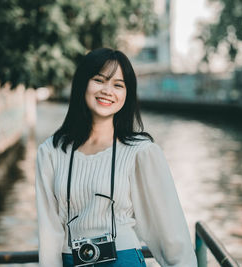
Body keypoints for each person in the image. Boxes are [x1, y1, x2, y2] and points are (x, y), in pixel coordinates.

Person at [35, 48, 197, 267]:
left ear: (127, 94)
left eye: (118, 85)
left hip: (123, 259)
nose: (107, 91)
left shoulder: (141, 152)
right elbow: (49, 230)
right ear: (83, 84)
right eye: (99, 80)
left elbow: (170, 229)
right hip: (70, 259)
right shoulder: (51, 152)